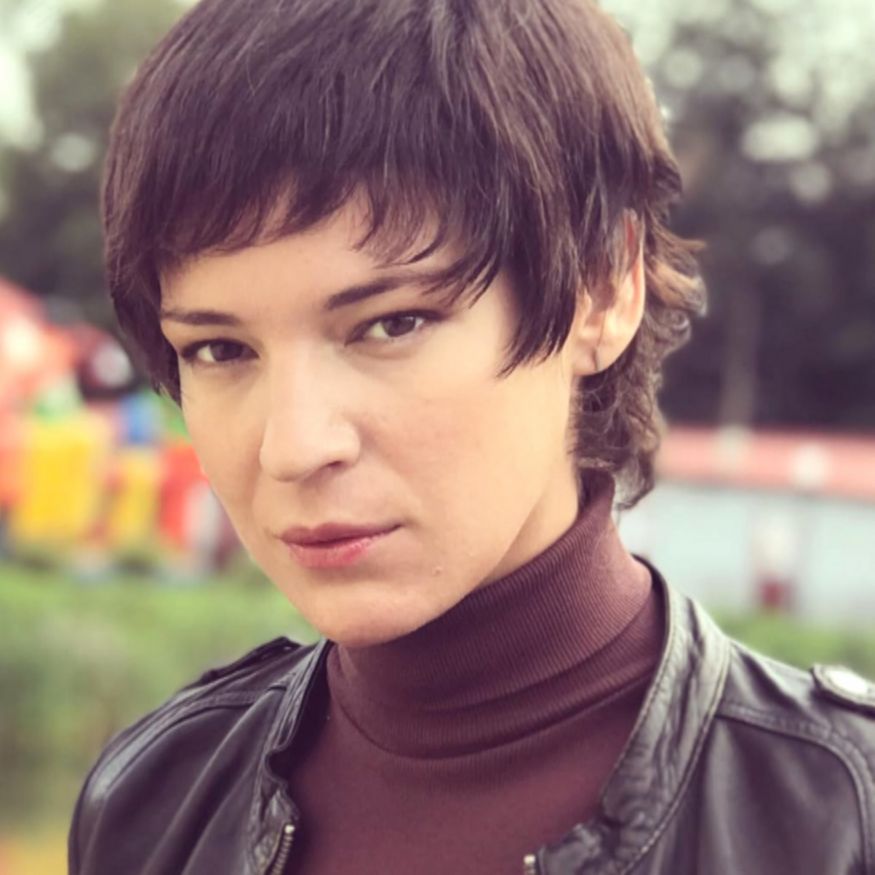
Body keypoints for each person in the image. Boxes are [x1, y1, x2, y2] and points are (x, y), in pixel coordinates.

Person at [69, 0, 875, 872]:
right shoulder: (153, 799)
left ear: (604, 288)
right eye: (220, 349)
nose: (294, 447)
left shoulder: (839, 819)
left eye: (391, 324)